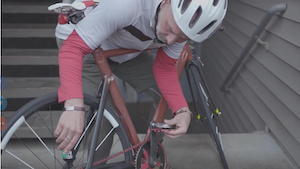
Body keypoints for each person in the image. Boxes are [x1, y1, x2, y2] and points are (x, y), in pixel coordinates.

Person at [54, 0, 228, 161]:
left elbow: (165, 68)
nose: (170, 41)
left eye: (181, 39)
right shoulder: (125, 6)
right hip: (83, 46)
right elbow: (73, 49)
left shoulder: (180, 27)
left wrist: (182, 111)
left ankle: (148, 157)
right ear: (166, 2)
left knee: (166, 100)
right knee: (103, 119)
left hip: (127, 48)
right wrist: (74, 106)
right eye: (170, 29)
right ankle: (98, 163)